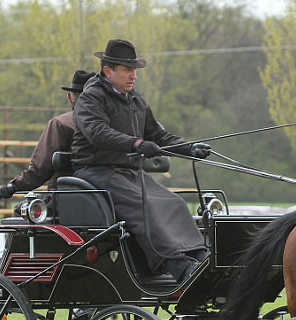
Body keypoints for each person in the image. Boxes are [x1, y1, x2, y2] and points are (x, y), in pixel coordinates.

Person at [71, 39, 211, 282]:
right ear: (108, 71)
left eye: (134, 70)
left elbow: (158, 135)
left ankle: (198, 256)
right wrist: (136, 144)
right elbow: (97, 132)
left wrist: (188, 148)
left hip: (129, 174)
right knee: (143, 206)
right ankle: (177, 265)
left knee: (175, 203)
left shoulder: (136, 101)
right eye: (127, 70)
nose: (133, 76)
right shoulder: (91, 98)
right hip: (96, 172)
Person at [0, 70, 94, 199]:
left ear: (70, 98)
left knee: (21, 212)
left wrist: (14, 186)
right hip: (110, 195)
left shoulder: (61, 124)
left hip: (66, 197)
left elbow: (40, 170)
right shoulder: (114, 124)